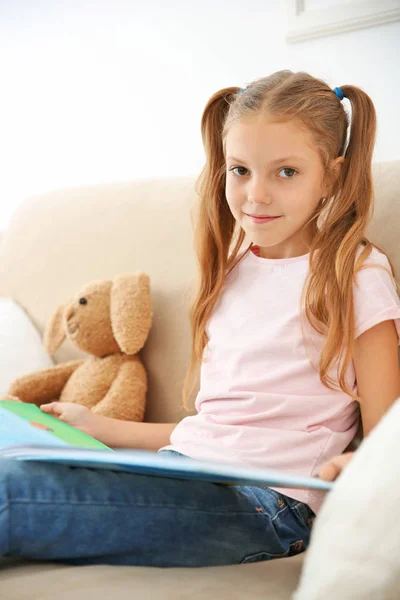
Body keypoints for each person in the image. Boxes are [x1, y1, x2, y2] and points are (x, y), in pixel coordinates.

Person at [1, 70, 400, 568]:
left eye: (287, 172)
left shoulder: (355, 274)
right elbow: (213, 429)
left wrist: (359, 467)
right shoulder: (230, 271)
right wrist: (98, 426)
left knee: (9, 494)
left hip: (268, 504)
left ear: (332, 177)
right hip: (185, 472)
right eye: (240, 170)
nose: (256, 194)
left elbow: (390, 441)